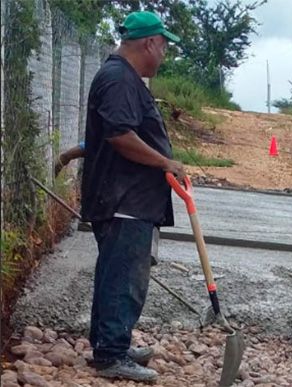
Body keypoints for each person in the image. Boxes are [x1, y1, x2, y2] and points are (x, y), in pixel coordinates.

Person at [80, 11, 184, 382]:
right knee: (123, 277)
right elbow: (119, 136)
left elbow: (105, 133)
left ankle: (113, 345)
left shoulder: (122, 78)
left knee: (117, 275)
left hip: (127, 198)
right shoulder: (120, 79)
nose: (164, 55)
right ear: (150, 43)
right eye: (164, 46)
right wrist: (165, 163)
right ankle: (110, 355)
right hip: (124, 200)